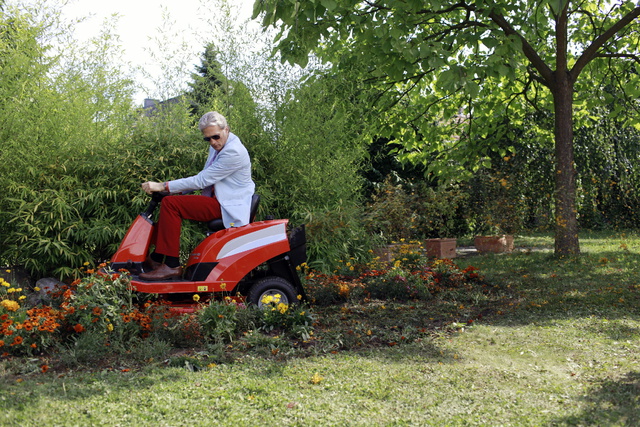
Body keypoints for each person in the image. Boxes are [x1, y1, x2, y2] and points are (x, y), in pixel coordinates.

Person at [139, 111, 255, 280]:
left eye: (215, 137)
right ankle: (157, 258)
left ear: (227, 129)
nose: (213, 142)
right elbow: (208, 175)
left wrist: (163, 185)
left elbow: (202, 180)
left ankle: (171, 265)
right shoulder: (219, 146)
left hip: (227, 205)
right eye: (207, 139)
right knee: (168, 201)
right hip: (219, 199)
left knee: (172, 205)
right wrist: (172, 191)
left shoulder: (234, 152)